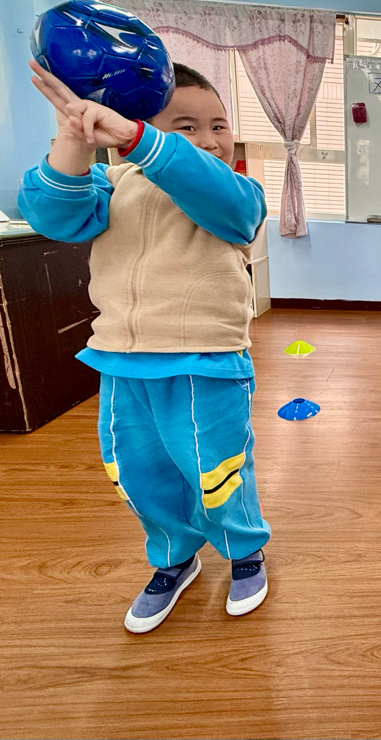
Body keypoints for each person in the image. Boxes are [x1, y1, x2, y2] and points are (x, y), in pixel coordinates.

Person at [19, 60, 271, 633]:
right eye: (186, 126)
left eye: (218, 125)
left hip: (206, 362)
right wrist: (74, 135)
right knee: (137, 472)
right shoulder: (112, 186)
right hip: (121, 362)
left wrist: (145, 141)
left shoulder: (234, 190)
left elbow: (237, 213)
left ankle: (244, 550)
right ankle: (174, 558)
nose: (209, 139)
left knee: (217, 469)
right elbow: (54, 216)